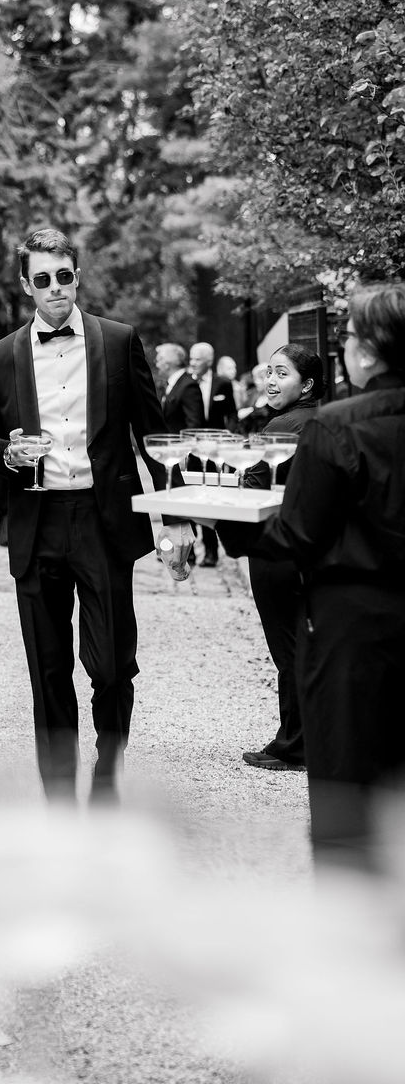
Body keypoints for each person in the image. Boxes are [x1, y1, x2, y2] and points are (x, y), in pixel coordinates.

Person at [0, 227, 171, 802]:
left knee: (111, 665)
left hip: (102, 519)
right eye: (43, 279)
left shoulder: (118, 340)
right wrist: (6, 453)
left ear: (76, 277)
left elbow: (153, 434)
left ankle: (109, 773)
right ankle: (58, 795)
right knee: (48, 668)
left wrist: (177, 516)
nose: (55, 287)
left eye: (64, 276)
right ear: (26, 286)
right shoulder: (1, 356)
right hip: (36, 520)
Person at [211, 285, 405, 873]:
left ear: (367, 352)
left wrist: (222, 519)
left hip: (354, 625)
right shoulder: (326, 423)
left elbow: (296, 536)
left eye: (350, 337)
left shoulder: (336, 427)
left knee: (349, 796)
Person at [237, 344, 324, 775]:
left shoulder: (283, 426)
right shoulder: (320, 419)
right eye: (269, 372)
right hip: (308, 548)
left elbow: (251, 486)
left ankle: (294, 746)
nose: (271, 381)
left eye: (282, 373)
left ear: (305, 385)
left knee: (288, 649)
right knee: (303, 646)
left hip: (275, 547)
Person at [188, 340, 236, 567]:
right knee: (189, 498)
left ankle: (211, 551)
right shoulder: (186, 383)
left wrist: (229, 440)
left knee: (210, 499)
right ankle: (188, 550)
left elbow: (232, 415)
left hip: (215, 452)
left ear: (209, 361)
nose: (193, 363)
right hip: (191, 451)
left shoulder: (223, 384)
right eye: (191, 358)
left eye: (197, 359)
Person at [156, 343, 207, 432]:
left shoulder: (189, 386)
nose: (157, 365)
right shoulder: (170, 384)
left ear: (167, 364)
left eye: (158, 361)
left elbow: (194, 425)